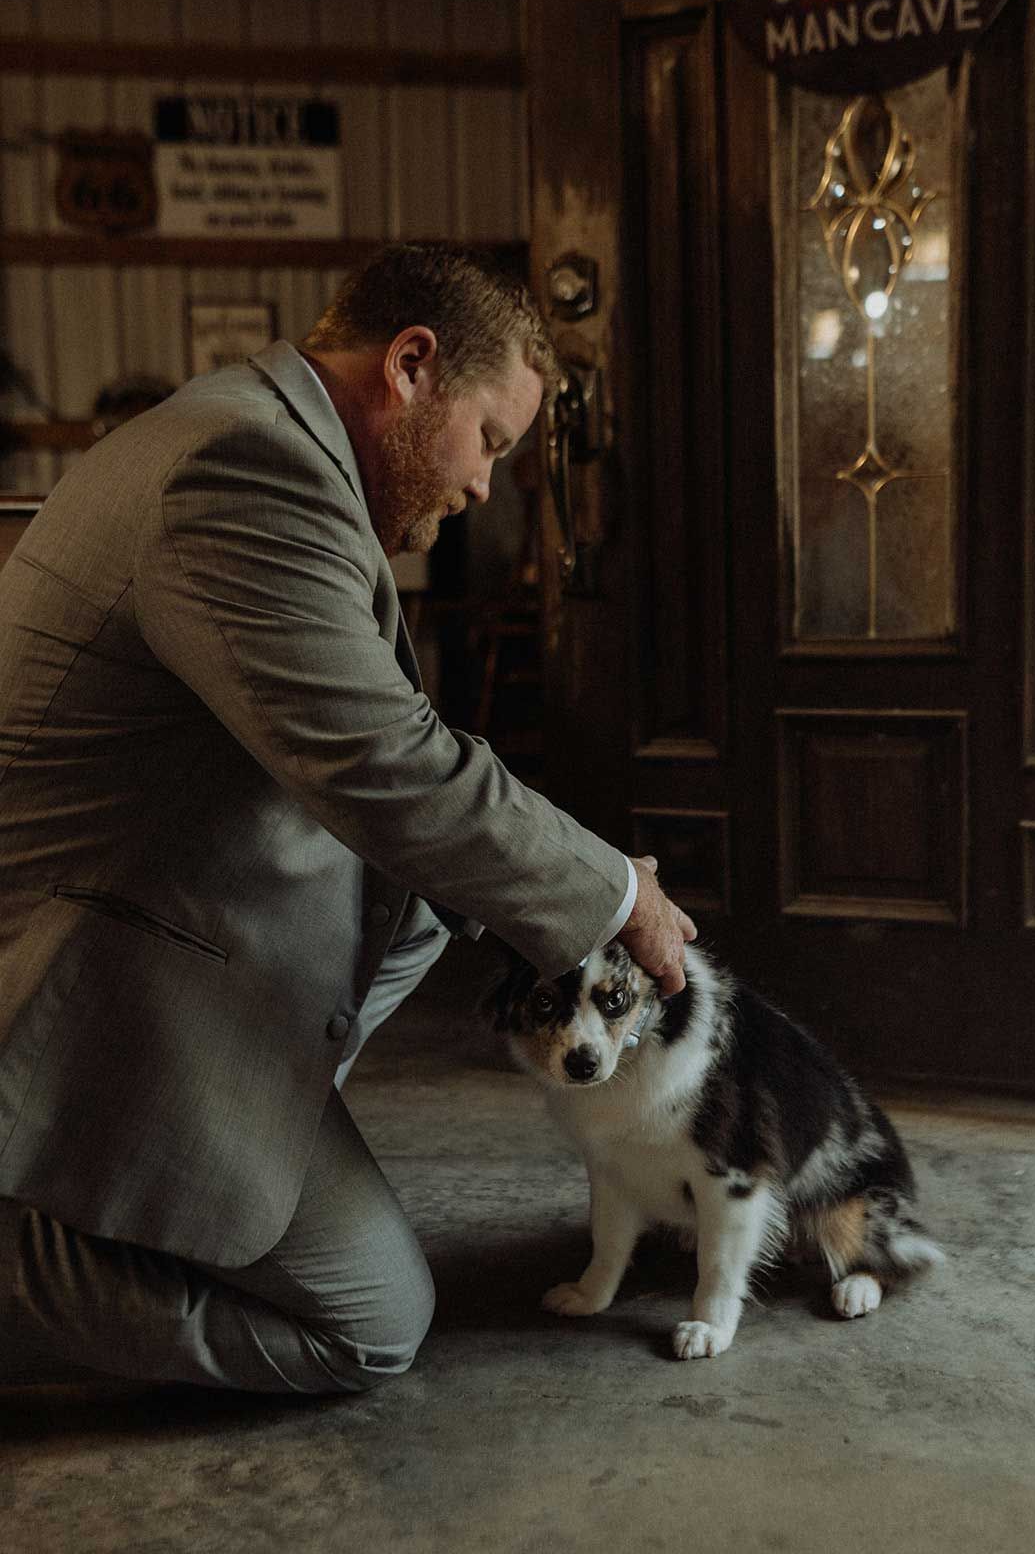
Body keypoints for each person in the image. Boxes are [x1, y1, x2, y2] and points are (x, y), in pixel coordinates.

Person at [0, 245, 695, 1394]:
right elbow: (386, 762)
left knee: (428, 903)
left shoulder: (262, 440)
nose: (485, 487)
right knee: (371, 1322)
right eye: (492, 443)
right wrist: (615, 891)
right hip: (76, 969)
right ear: (412, 366)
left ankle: (240, 1136)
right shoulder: (244, 466)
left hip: (156, 896)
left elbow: (386, 755)